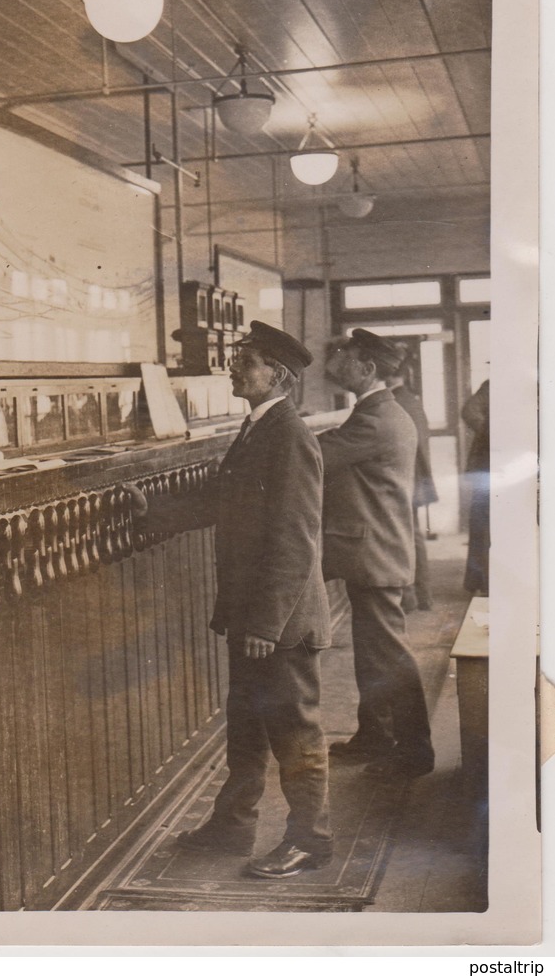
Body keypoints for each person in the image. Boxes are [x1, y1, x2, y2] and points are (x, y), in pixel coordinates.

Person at [123, 322, 333, 879]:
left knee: (294, 730)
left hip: (279, 621)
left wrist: (265, 622)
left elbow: (295, 540)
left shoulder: (288, 435)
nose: (234, 368)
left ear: (277, 375)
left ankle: (311, 840)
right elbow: (223, 499)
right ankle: (233, 826)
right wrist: (154, 516)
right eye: (238, 358)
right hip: (253, 616)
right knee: (247, 725)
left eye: (247, 361)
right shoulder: (259, 428)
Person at [319, 328, 435, 780]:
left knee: (390, 657)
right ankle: (375, 736)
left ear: (366, 369)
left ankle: (415, 750)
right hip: (375, 550)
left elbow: (318, 454)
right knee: (373, 654)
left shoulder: (375, 418)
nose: (338, 358)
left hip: (376, 554)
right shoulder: (378, 411)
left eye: (346, 354)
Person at [387, 344, 439, 612]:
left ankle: (413, 597)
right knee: (412, 535)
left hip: (407, 479)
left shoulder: (397, 401)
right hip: (415, 478)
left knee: (407, 538)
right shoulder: (410, 398)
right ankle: (421, 596)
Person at [461, 379, 490, 596]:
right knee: (482, 525)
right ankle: (480, 582)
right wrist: (490, 433)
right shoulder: (493, 385)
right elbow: (469, 410)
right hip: (488, 466)